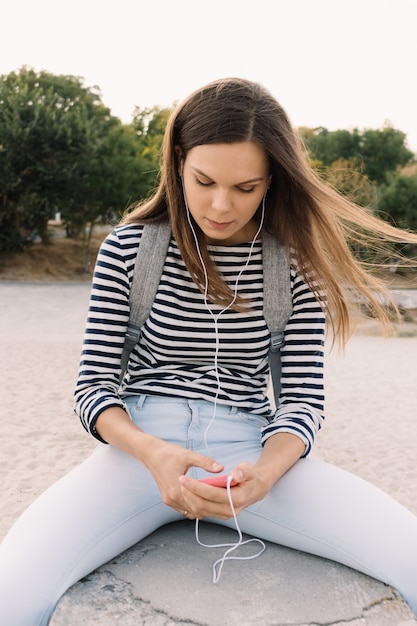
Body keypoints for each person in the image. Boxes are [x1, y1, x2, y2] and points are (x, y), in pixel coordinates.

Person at [1, 77, 417, 625]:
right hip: (141, 452)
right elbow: (93, 390)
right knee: (13, 593)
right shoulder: (129, 249)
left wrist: (265, 476)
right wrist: (153, 453)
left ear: (272, 181)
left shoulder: (295, 268)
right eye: (204, 181)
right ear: (177, 162)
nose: (221, 205)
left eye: (246, 188)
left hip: (251, 451)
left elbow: (303, 404)